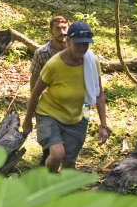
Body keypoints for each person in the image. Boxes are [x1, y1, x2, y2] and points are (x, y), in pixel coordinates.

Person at [23, 21, 110, 172]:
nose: (82, 48)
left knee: (69, 163)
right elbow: (35, 93)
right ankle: (48, 182)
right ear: (68, 41)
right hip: (50, 113)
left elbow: (99, 93)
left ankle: (63, 190)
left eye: (86, 44)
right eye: (78, 44)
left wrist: (103, 125)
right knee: (57, 154)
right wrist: (28, 120)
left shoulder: (91, 61)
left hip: (81, 112)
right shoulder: (54, 65)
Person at [30, 16, 68, 93]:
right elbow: (34, 78)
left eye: (64, 28)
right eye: (58, 29)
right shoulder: (41, 53)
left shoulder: (77, 51)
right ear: (51, 31)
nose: (62, 32)